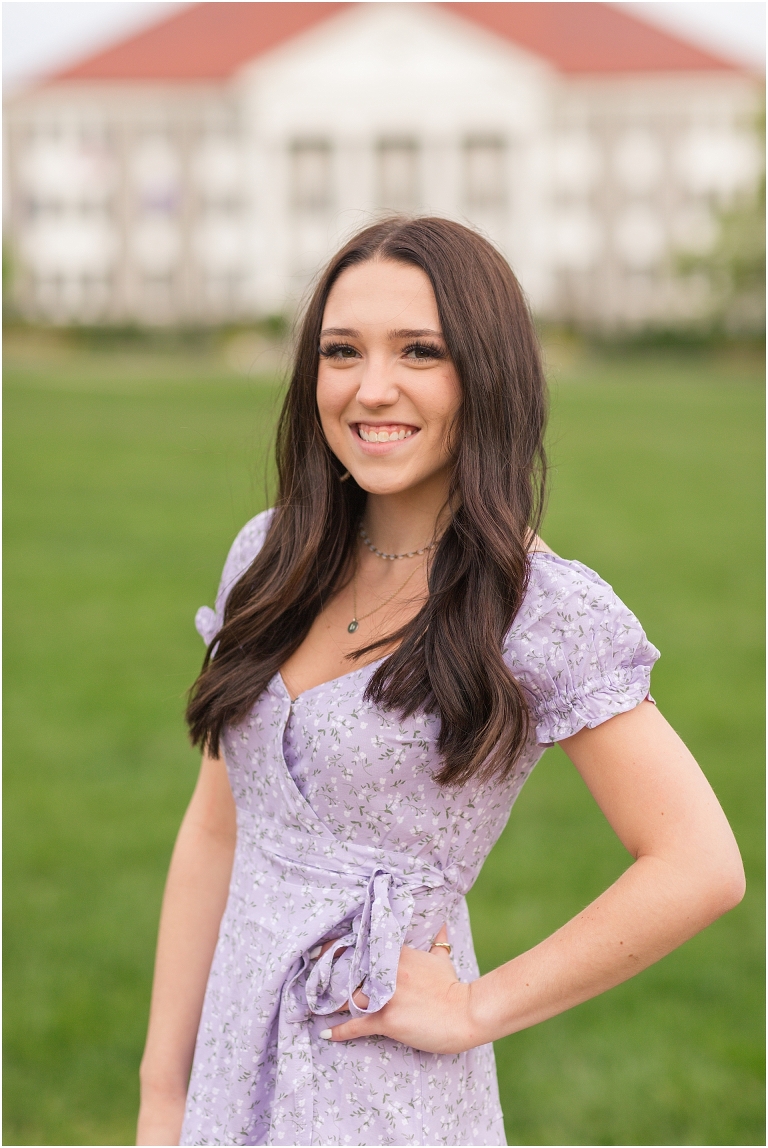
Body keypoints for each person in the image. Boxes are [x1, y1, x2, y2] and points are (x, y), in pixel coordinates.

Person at [136, 217, 744, 1147]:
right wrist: (162, 1090)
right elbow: (218, 829)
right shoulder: (268, 555)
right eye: (342, 351)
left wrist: (473, 1008)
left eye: (420, 351)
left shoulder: (539, 609)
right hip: (227, 1061)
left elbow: (699, 862)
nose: (371, 387)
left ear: (486, 374)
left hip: (380, 1090)